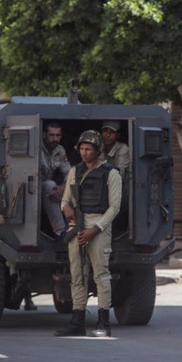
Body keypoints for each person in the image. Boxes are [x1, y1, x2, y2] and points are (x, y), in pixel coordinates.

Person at [54, 130, 121, 338]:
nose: (84, 153)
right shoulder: (74, 171)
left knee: (101, 275)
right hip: (76, 226)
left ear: (98, 151)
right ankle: (77, 321)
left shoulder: (111, 173)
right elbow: (65, 200)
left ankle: (103, 322)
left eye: (88, 149)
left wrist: (95, 229)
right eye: (81, 149)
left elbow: (114, 208)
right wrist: (66, 209)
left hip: (98, 226)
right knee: (77, 275)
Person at [40, 122, 71, 238]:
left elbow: (69, 172)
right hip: (33, 188)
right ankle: (60, 230)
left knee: (72, 185)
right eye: (51, 135)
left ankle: (75, 228)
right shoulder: (37, 147)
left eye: (58, 135)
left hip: (48, 190)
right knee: (50, 185)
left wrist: (63, 187)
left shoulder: (59, 149)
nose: (55, 139)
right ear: (44, 134)